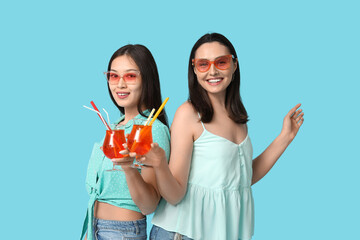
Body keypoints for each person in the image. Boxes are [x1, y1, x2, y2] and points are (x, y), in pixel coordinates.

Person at [138, 33, 304, 240]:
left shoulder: (237, 116)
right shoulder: (188, 114)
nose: (213, 71)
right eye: (203, 64)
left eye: (221, 62)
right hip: (183, 234)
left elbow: (241, 179)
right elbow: (174, 194)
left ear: (234, 65)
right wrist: (160, 163)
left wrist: (285, 137)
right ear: (194, 69)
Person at [80, 44, 170, 240]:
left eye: (130, 76)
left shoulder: (152, 129)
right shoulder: (115, 127)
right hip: (94, 228)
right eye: (113, 76)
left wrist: (129, 169)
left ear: (147, 80)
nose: (120, 84)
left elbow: (149, 205)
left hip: (123, 233)